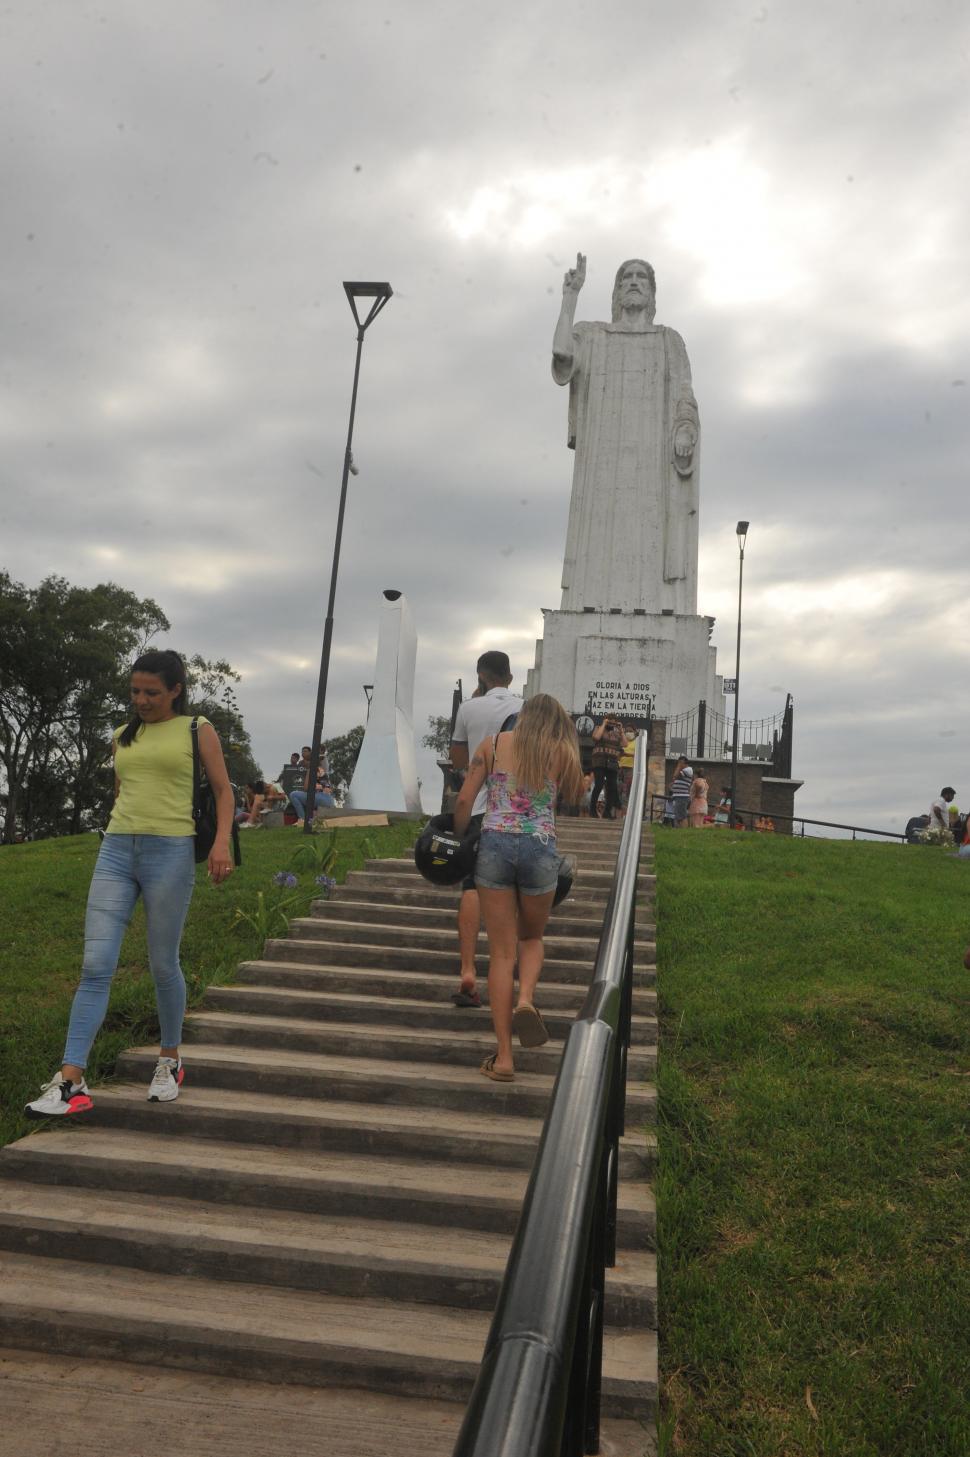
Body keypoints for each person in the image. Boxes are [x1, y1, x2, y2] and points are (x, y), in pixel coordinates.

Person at [25, 650, 235, 1119]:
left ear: (175, 691)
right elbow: (123, 794)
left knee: (163, 963)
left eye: (152, 692)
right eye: (135, 691)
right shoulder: (122, 736)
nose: (141, 699)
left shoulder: (196, 727)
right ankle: (70, 1081)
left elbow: (224, 790)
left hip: (171, 852)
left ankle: (169, 1060)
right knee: (96, 965)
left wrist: (221, 844)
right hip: (117, 851)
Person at [454, 693, 584, 1081]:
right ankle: (526, 998)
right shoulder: (562, 753)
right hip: (540, 849)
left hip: (494, 845)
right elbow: (576, 797)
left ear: (522, 717)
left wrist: (460, 838)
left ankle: (505, 1058)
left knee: (500, 954)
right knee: (531, 938)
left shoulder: (492, 745)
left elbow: (464, 799)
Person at [448, 652, 523, 1007]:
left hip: (478, 810)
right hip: (515, 812)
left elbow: (460, 761)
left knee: (473, 887)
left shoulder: (468, 708)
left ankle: (467, 968)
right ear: (510, 677)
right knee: (511, 891)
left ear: (481, 676)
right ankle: (508, 970)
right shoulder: (526, 709)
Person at [590, 715, 628, 819]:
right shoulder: (599, 728)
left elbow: (625, 744)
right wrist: (604, 724)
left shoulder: (617, 732)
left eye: (613, 722)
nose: (611, 724)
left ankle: (607, 811)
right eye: (609, 721)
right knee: (598, 784)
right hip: (599, 761)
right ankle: (592, 810)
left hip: (612, 762)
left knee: (612, 787)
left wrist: (621, 730)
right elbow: (596, 737)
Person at [669, 755, 694, 827]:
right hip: (679, 796)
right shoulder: (683, 771)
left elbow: (675, 775)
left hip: (682, 796)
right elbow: (674, 778)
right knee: (679, 816)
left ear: (684, 763)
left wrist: (679, 766)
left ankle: (684, 832)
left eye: (680, 762)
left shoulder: (688, 770)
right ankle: (680, 831)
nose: (679, 764)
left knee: (682, 816)